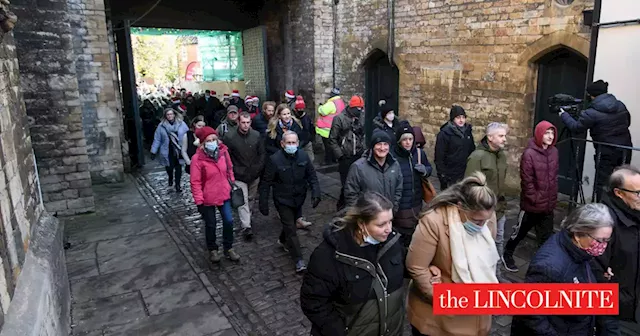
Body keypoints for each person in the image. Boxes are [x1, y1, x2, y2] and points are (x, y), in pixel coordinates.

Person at [300, 192, 406, 336]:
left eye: (390, 221)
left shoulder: (392, 242)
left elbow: (407, 267)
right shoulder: (328, 256)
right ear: (362, 224)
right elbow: (313, 302)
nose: (389, 228)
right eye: (381, 224)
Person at [406, 172, 499, 336]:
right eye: (477, 221)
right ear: (460, 207)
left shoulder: (487, 217)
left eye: (487, 219)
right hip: (441, 319)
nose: (483, 225)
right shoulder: (434, 221)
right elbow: (416, 267)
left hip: (478, 314)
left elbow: (487, 259)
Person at [510, 203, 615, 336]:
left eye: (607, 240)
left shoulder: (581, 250)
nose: (603, 246)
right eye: (600, 240)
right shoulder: (548, 267)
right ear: (578, 234)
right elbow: (532, 316)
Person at [559, 79, 633, 202]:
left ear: (592, 95)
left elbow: (576, 128)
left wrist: (564, 115)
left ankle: (602, 209)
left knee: (603, 184)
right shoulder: (620, 105)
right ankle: (618, 210)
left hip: (606, 153)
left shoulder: (591, 113)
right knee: (620, 182)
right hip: (625, 150)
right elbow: (627, 121)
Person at [259, 131, 321, 273]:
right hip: (282, 199)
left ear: (298, 143)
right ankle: (298, 259)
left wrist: (316, 193)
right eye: (289, 143)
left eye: (294, 143)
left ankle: (282, 239)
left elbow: (312, 176)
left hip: (298, 198)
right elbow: (266, 183)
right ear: (282, 144)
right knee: (291, 228)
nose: (291, 145)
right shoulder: (275, 160)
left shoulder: (303, 156)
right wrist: (263, 202)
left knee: (290, 224)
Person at [503, 121, 559, 272]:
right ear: (540, 134)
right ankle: (507, 254)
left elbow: (554, 178)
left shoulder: (554, 152)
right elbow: (527, 181)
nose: (550, 136)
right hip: (531, 206)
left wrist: (552, 197)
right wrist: (534, 199)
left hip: (548, 205)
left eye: (552, 133)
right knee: (519, 233)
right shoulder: (529, 154)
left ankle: (542, 266)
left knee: (546, 238)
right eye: (547, 133)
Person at [593, 165, 640, 331]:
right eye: (637, 193)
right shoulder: (604, 223)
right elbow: (596, 273)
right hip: (614, 309)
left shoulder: (634, 211)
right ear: (619, 193)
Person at [189, 126, 241, 263]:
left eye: (214, 139)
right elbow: (195, 181)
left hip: (224, 193)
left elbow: (229, 168)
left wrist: (231, 182)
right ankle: (213, 249)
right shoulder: (197, 159)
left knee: (229, 221)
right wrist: (199, 201)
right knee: (211, 224)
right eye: (209, 140)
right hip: (208, 197)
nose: (212, 142)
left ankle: (228, 248)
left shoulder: (223, 153)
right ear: (202, 143)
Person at [465, 122, 508, 279]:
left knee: (498, 242)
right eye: (501, 136)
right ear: (490, 137)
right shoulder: (477, 157)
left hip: (500, 207)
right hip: (483, 210)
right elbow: (469, 186)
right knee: (483, 244)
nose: (505, 139)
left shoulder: (502, 155)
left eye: (505, 135)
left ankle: (497, 275)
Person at [223, 112, 265, 241]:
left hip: (254, 173)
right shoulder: (230, 137)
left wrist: (258, 168)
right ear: (239, 122)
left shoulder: (256, 136)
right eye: (243, 123)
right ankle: (246, 226)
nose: (246, 125)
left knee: (251, 199)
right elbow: (227, 156)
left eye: (248, 123)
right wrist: (233, 171)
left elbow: (261, 154)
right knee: (243, 201)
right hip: (239, 174)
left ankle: (247, 218)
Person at [393, 121, 432, 248]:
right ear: (399, 141)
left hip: (416, 203)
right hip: (401, 205)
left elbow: (429, 168)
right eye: (404, 140)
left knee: (414, 236)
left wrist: (425, 170)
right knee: (401, 236)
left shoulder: (419, 154)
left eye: (410, 139)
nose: (408, 142)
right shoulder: (393, 157)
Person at [344, 129, 403, 213]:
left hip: (387, 215)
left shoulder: (395, 165)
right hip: (368, 217)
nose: (382, 148)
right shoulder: (358, 167)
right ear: (372, 146)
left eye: (385, 144)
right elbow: (351, 195)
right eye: (379, 144)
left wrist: (394, 208)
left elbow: (398, 188)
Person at [328, 95, 366, 211]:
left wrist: (363, 150)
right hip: (346, 156)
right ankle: (342, 207)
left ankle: (353, 206)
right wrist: (340, 155)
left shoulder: (360, 118)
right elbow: (332, 139)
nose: (360, 111)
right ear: (352, 107)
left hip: (358, 155)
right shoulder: (339, 119)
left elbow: (361, 136)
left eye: (361, 109)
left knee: (357, 183)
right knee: (346, 184)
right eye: (358, 109)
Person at [434, 105, 476, 190]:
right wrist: (442, 174)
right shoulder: (444, 134)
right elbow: (439, 156)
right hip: (450, 173)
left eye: (463, 117)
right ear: (453, 119)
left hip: (464, 172)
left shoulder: (467, 132)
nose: (461, 120)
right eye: (458, 117)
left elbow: (472, 150)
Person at [151, 108, 189, 192]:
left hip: (179, 149)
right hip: (167, 149)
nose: (170, 116)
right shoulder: (161, 126)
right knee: (169, 167)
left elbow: (187, 135)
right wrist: (153, 151)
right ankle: (170, 177)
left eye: (171, 114)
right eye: (168, 114)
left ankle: (178, 185)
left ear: (174, 114)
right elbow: (157, 139)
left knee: (178, 167)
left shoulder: (181, 124)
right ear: (165, 116)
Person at [316, 88, 345, 165]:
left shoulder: (331, 103)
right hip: (335, 128)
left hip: (327, 129)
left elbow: (323, 111)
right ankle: (334, 159)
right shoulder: (341, 102)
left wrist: (320, 107)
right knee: (334, 145)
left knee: (327, 147)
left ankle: (328, 161)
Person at [293, 96, 316, 163]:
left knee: (310, 160)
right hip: (299, 142)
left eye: (301, 108)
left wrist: (310, 139)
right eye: (298, 109)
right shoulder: (295, 118)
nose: (300, 110)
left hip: (306, 143)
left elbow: (311, 130)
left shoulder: (306, 119)